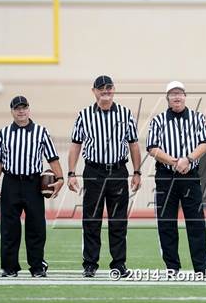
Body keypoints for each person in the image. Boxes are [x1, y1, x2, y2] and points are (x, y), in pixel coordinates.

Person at [67, 75, 141, 278]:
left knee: (118, 220)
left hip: (118, 171)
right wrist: (72, 172)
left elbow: (133, 144)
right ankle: (90, 263)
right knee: (91, 219)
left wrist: (137, 171)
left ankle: (119, 264)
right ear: (94, 91)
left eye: (109, 87)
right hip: (94, 171)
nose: (105, 91)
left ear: (114, 89)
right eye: (101, 88)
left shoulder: (125, 114)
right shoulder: (84, 115)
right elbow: (76, 145)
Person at [0, 96, 64, 278]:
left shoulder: (41, 132)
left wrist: (60, 178)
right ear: (12, 111)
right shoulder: (3, 133)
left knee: (36, 226)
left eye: (24, 108)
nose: (21, 111)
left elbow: (52, 158)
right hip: (11, 182)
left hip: (33, 183)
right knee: (9, 227)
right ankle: (9, 267)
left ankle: (37, 266)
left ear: (29, 109)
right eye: (17, 108)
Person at [146, 81, 206, 275]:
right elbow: (152, 148)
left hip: (190, 176)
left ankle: (201, 267)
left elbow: (205, 144)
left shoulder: (198, 118)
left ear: (185, 96)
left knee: (196, 222)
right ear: (167, 98)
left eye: (180, 93)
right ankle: (172, 267)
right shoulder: (158, 120)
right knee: (166, 223)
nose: (176, 97)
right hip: (166, 176)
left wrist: (188, 159)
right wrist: (176, 162)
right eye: (173, 94)